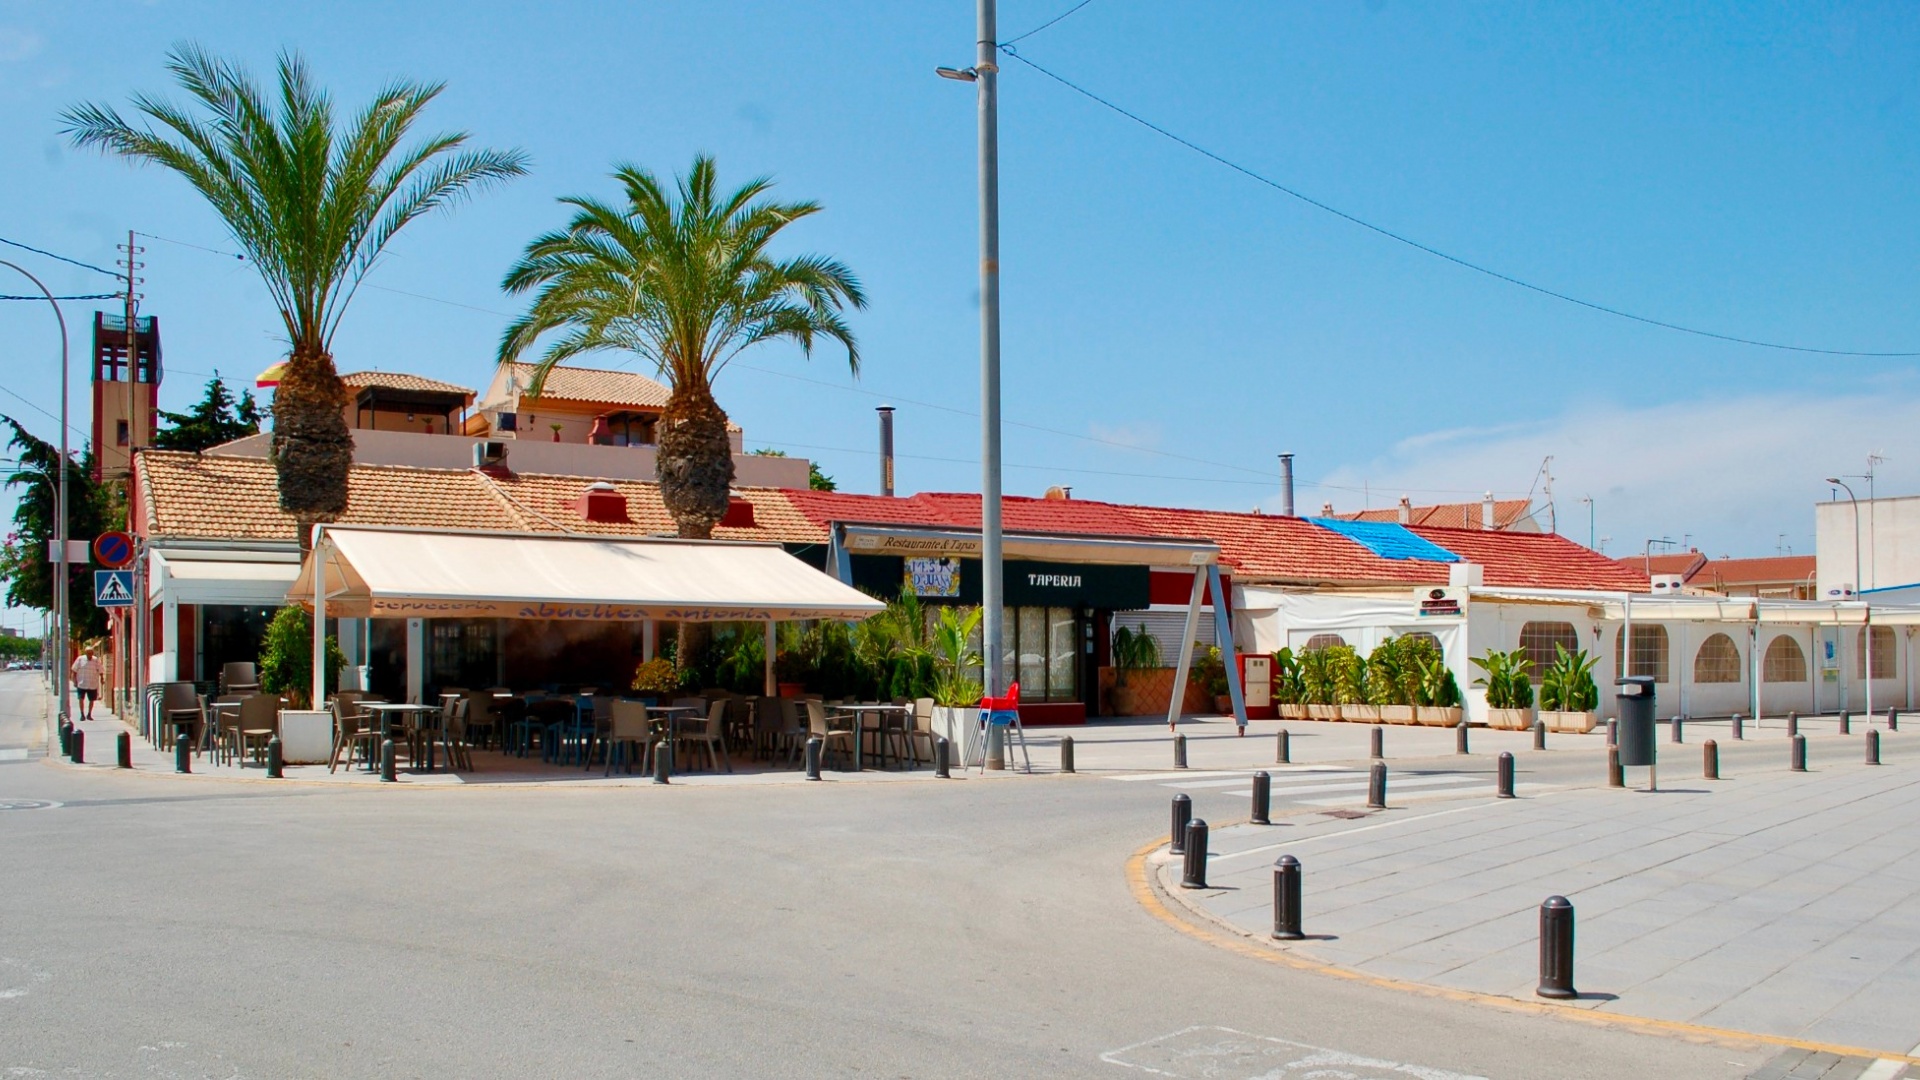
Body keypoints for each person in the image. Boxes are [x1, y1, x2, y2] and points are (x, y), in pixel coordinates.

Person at [71, 647, 103, 722]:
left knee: (91, 700)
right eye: (88, 653)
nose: (90, 655)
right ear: (85, 653)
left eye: (91, 653)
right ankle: (82, 714)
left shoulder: (95, 660)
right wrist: (74, 681)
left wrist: (102, 678)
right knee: (81, 699)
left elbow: (101, 670)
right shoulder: (80, 659)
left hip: (92, 683)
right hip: (82, 683)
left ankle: (89, 714)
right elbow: (74, 670)